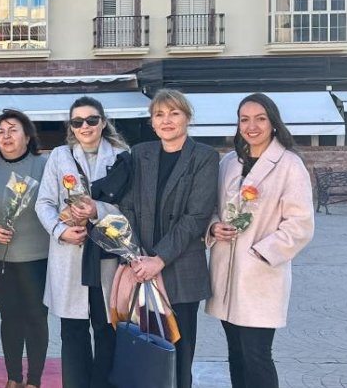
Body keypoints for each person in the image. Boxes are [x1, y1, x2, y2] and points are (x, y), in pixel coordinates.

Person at [205, 93, 315, 388]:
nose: (251, 126)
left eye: (260, 118)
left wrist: (261, 253)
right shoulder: (229, 163)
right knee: (236, 354)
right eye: (244, 119)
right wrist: (215, 227)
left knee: (257, 356)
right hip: (226, 276)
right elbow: (213, 208)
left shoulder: (290, 165)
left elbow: (301, 225)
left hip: (260, 276)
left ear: (273, 123)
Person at [119, 89, 220, 388]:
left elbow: (196, 216)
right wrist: (136, 255)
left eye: (174, 113)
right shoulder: (140, 154)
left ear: (187, 118)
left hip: (180, 270)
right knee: (146, 349)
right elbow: (127, 207)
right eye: (159, 114)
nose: (167, 120)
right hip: (140, 269)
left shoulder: (204, 157)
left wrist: (159, 259)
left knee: (180, 350)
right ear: (151, 122)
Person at [35, 98, 128, 388]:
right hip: (70, 254)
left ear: (103, 122)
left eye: (91, 120)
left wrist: (97, 211)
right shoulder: (60, 157)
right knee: (72, 333)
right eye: (77, 122)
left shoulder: (122, 156)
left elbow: (132, 207)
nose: (84, 126)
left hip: (106, 257)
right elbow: (44, 203)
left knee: (106, 330)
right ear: (70, 127)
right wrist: (60, 229)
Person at [0, 109, 50, 388]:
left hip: (38, 256)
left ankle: (33, 379)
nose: (6, 136)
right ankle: (13, 377)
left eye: (13, 130)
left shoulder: (44, 166)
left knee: (36, 317)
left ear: (27, 135)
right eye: (0, 131)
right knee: (10, 318)